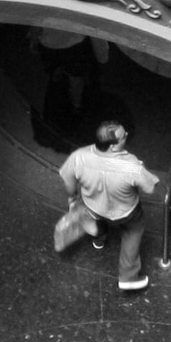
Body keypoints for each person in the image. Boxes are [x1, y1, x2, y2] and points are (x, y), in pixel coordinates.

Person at [59, 119, 160, 291]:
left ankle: (99, 239)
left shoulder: (79, 157)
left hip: (93, 207)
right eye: (123, 137)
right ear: (113, 146)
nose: (127, 135)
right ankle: (128, 277)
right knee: (132, 232)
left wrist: (72, 198)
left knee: (97, 221)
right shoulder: (131, 166)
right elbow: (151, 187)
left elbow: (67, 178)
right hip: (126, 212)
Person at [30, 25, 107, 148]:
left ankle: (57, 76)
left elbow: (38, 18)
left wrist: (34, 40)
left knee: (54, 65)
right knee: (75, 77)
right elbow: (94, 26)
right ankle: (76, 103)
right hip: (73, 46)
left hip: (48, 42)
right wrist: (102, 56)